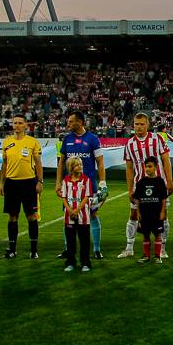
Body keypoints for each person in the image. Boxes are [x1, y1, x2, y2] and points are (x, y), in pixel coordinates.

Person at [120, 113, 173, 259]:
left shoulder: (157, 139)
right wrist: (130, 189)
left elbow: (166, 160)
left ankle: (162, 248)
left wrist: (169, 180)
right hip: (139, 186)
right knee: (133, 215)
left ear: (148, 124)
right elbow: (129, 168)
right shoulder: (130, 143)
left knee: (163, 216)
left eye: (142, 124)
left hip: (158, 185)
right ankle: (129, 247)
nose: (139, 126)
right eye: (136, 124)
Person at [56, 111, 106, 259]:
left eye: (71, 122)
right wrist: (58, 182)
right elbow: (61, 163)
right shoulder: (67, 139)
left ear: (80, 122)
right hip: (69, 186)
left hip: (88, 185)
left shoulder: (93, 139)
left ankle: (96, 249)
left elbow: (100, 162)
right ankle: (68, 248)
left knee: (92, 214)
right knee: (68, 214)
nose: (68, 124)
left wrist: (102, 182)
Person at [0, 114, 44, 259]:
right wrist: (2, 183)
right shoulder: (7, 142)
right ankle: (12, 249)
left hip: (29, 183)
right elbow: (4, 165)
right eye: (15, 123)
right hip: (11, 183)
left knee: (31, 216)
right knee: (12, 217)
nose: (17, 125)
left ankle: (34, 250)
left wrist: (40, 181)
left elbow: (38, 163)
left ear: (25, 125)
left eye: (20, 123)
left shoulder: (32, 142)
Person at [134, 156, 169, 264]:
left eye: (150, 166)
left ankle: (158, 256)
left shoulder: (160, 182)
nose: (148, 169)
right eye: (146, 167)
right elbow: (138, 199)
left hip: (156, 213)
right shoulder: (141, 182)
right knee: (145, 235)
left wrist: (163, 211)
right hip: (145, 214)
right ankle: (146, 256)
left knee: (157, 234)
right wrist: (138, 212)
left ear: (156, 167)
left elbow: (163, 199)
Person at [60, 157, 93, 272]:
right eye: (77, 165)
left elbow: (87, 197)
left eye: (81, 164)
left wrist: (78, 209)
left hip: (83, 215)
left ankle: (85, 263)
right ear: (71, 167)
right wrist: (69, 210)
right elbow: (64, 197)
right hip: (69, 215)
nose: (80, 167)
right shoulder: (66, 180)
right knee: (70, 241)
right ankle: (70, 262)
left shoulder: (86, 180)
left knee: (84, 240)